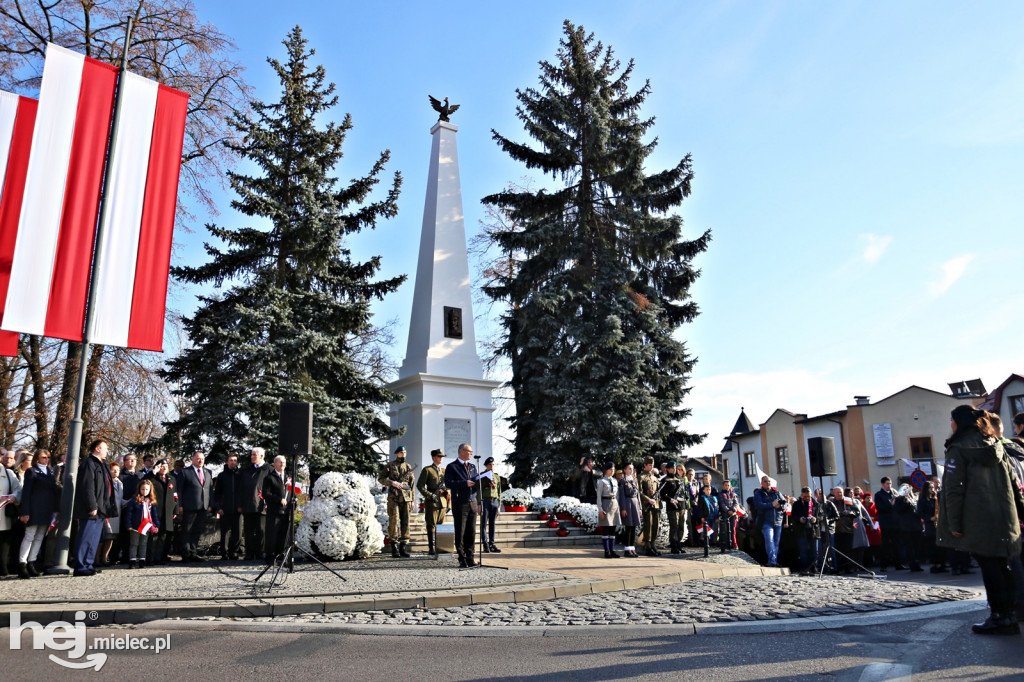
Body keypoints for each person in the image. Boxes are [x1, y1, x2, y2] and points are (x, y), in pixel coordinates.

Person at [938, 404, 1024, 635]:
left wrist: (954, 524)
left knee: (990, 567)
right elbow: (1015, 482)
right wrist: (1021, 512)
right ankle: (1008, 615)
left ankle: (999, 617)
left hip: (977, 518)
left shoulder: (958, 448)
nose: (950, 425)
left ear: (959, 422)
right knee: (1003, 566)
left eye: (951, 420)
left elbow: (953, 490)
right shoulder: (995, 444)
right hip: (1005, 516)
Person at [73, 438, 116, 576]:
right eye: (105, 448)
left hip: (102, 508)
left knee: (94, 538)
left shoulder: (102, 464)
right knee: (86, 536)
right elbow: (87, 487)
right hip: (92, 508)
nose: (107, 451)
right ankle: (80, 566)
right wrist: (92, 505)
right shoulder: (89, 463)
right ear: (97, 449)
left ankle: (88, 563)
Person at [16, 449, 57, 578]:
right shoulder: (31, 471)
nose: (47, 459)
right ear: (37, 458)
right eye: (44, 457)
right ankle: (22, 563)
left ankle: (31, 562)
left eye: (48, 457)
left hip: (46, 509)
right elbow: (26, 493)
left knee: (39, 536)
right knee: (29, 536)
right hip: (34, 508)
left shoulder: (50, 471)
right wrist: (25, 512)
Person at [444, 442, 479, 567]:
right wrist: (465, 483)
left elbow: (476, 483)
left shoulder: (473, 467)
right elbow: (448, 483)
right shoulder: (452, 467)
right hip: (460, 503)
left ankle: (470, 557)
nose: (471, 454)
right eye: (469, 451)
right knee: (461, 531)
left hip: (472, 502)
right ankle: (462, 558)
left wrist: (485, 483)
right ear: (462, 451)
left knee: (471, 531)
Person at [379, 445, 415, 558]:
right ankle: (394, 547)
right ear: (396, 454)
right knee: (394, 521)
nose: (403, 454)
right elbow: (381, 478)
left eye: (404, 452)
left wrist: (413, 500)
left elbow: (411, 484)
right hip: (394, 498)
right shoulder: (390, 465)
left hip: (406, 498)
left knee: (406, 522)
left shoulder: (408, 467)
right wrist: (392, 483)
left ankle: (403, 547)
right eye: (401, 452)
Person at [177, 451, 213, 562]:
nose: (200, 460)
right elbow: (179, 490)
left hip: (203, 507)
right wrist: (180, 505)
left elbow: (210, 490)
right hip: (189, 506)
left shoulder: (208, 472)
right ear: (192, 459)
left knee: (197, 530)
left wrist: (210, 504)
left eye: (202, 458)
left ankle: (193, 552)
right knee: (187, 530)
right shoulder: (185, 472)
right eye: (198, 458)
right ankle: (186, 554)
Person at [416, 449, 449, 556]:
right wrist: (430, 495)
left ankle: (440, 547)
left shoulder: (444, 471)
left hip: (442, 502)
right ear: (434, 457)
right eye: (439, 456)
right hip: (432, 502)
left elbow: (449, 487)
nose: (441, 458)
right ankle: (431, 548)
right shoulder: (427, 470)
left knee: (441, 525)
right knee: (431, 525)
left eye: (442, 457)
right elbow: (420, 486)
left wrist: (448, 499)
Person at [144, 459, 177, 564]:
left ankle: (159, 557)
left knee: (163, 535)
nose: (164, 468)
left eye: (166, 466)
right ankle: (150, 558)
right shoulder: (153, 478)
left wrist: (175, 510)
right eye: (162, 466)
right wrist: (153, 472)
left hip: (168, 511)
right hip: (155, 510)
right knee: (153, 535)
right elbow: (144, 482)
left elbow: (175, 495)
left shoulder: (172, 479)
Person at [123, 478, 160, 569]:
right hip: (135, 526)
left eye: (147, 489)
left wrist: (157, 524)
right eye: (142, 489)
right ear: (139, 489)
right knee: (134, 544)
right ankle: (132, 560)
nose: (144, 491)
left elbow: (154, 515)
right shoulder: (134, 501)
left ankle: (142, 560)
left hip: (146, 526)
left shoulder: (151, 502)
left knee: (143, 544)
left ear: (150, 490)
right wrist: (129, 525)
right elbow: (129, 514)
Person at [240, 447, 270, 561]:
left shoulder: (268, 470)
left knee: (260, 531)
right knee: (248, 531)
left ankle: (260, 552)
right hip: (248, 505)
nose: (252, 457)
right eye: (251, 454)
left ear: (261, 456)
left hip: (261, 506)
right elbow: (241, 488)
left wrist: (268, 502)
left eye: (254, 455)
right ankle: (249, 553)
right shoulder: (247, 470)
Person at [262, 455, 291, 564]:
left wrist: (294, 503)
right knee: (272, 535)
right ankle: (270, 557)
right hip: (274, 512)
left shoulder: (289, 478)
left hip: (286, 512)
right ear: (274, 464)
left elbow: (292, 493)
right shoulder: (269, 478)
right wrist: (279, 500)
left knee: (283, 536)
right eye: (280, 462)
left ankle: (281, 556)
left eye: (284, 462)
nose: (282, 464)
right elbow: (266, 494)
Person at [214, 453, 242, 560]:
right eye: (231, 460)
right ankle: (224, 553)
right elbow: (217, 493)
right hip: (224, 508)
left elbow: (243, 492)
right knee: (225, 532)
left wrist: (241, 505)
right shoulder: (221, 476)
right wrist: (218, 508)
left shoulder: (240, 475)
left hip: (238, 509)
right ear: (227, 462)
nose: (233, 462)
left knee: (237, 532)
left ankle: (233, 551)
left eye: (235, 460)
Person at [753, 475, 785, 567]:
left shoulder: (777, 493)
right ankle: (772, 560)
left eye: (769, 481)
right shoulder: (759, 494)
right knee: (769, 540)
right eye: (765, 481)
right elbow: (759, 505)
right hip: (766, 522)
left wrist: (781, 506)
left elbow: (785, 504)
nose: (768, 483)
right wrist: (771, 505)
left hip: (778, 521)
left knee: (776, 542)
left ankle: (773, 560)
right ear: (762, 483)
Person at [0, 452, 23, 577]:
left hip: (4, 513)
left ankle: (3, 568)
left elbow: (18, 489)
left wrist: (14, 496)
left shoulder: (8, 473)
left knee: (5, 542)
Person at [874, 476, 905, 571]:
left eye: (890, 483)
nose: (889, 485)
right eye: (887, 483)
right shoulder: (879, 495)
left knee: (897, 544)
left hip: (896, 522)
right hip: (886, 523)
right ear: (883, 484)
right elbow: (880, 508)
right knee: (886, 545)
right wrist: (891, 503)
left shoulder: (894, 493)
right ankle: (884, 565)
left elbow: (899, 507)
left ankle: (898, 564)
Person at [97, 461, 123, 567]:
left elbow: (120, 500)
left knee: (111, 537)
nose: (116, 472)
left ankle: (105, 558)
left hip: (116, 514)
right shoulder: (106, 481)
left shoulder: (120, 483)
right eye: (113, 470)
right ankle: (96, 558)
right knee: (102, 538)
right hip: (106, 513)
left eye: (118, 470)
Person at [894, 483, 923, 572]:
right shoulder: (898, 499)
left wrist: (913, 502)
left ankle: (917, 564)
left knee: (917, 546)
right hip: (906, 526)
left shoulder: (914, 498)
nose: (907, 491)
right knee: (909, 546)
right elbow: (898, 511)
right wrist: (906, 503)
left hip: (916, 525)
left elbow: (918, 511)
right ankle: (912, 564)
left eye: (908, 489)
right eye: (904, 489)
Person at [660, 461, 687, 554]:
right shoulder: (665, 480)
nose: (674, 469)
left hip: (681, 506)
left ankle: (679, 544)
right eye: (672, 468)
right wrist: (670, 499)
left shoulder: (679, 479)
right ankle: (674, 546)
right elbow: (662, 494)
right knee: (674, 527)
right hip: (672, 507)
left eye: (674, 468)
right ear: (667, 469)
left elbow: (683, 493)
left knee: (681, 526)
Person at [918, 481, 945, 573]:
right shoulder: (922, 500)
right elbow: (920, 513)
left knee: (939, 546)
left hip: (938, 524)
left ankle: (940, 564)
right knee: (932, 546)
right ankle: (933, 565)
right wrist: (930, 518)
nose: (932, 489)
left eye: (933, 487)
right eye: (930, 488)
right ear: (926, 489)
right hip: (929, 525)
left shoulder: (935, 499)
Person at [596, 461, 621, 559]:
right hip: (605, 504)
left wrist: (617, 506)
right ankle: (606, 551)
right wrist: (600, 509)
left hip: (614, 504)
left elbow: (617, 494)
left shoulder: (615, 481)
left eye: (614, 469)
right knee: (606, 529)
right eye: (610, 469)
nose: (612, 471)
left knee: (613, 529)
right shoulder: (601, 481)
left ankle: (612, 550)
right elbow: (598, 497)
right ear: (606, 470)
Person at [791, 487, 819, 574]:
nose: (807, 498)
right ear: (801, 495)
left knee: (814, 550)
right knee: (803, 550)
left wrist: (816, 519)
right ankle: (805, 568)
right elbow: (793, 517)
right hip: (801, 530)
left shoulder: (815, 504)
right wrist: (799, 519)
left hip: (813, 530)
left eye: (809, 496)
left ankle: (814, 567)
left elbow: (821, 516)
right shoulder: (797, 504)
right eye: (805, 496)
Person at [617, 463, 642, 558]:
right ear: (625, 470)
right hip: (628, 504)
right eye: (629, 469)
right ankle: (627, 549)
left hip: (635, 503)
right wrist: (623, 508)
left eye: (632, 469)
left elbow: (638, 494)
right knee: (628, 527)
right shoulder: (623, 481)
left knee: (634, 527)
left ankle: (632, 548)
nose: (631, 470)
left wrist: (640, 508)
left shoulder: (634, 480)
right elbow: (622, 495)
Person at [639, 456, 661, 556]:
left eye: (652, 465)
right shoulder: (641, 477)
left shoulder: (654, 477)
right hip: (646, 505)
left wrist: (658, 504)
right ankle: (647, 545)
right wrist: (648, 500)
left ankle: (653, 544)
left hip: (655, 505)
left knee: (655, 525)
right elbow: (639, 492)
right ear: (645, 465)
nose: (651, 467)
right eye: (649, 465)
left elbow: (657, 492)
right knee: (648, 525)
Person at [479, 456, 502, 554]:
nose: (491, 466)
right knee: (483, 524)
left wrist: (499, 505)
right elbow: (478, 490)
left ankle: (492, 544)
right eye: (489, 464)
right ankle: (485, 545)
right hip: (485, 501)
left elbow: (499, 491)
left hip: (494, 501)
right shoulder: (482, 475)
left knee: (492, 524)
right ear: (486, 465)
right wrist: (479, 504)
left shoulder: (496, 476)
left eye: (493, 464)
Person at [693, 483, 719, 557]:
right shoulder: (702, 498)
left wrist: (717, 517)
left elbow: (716, 507)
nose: (708, 491)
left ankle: (712, 542)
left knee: (712, 530)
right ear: (704, 491)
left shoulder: (713, 498)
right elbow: (700, 509)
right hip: (706, 516)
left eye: (709, 489)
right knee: (706, 530)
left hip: (713, 516)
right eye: (707, 490)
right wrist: (702, 517)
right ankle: (706, 542)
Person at [717, 480, 740, 551]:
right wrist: (727, 511)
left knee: (733, 529)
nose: (727, 486)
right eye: (726, 485)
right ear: (723, 486)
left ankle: (734, 544)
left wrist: (733, 510)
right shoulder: (721, 494)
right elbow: (722, 504)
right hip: (725, 514)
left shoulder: (733, 494)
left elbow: (736, 503)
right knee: (725, 529)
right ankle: (726, 544)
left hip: (733, 514)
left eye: (728, 485)